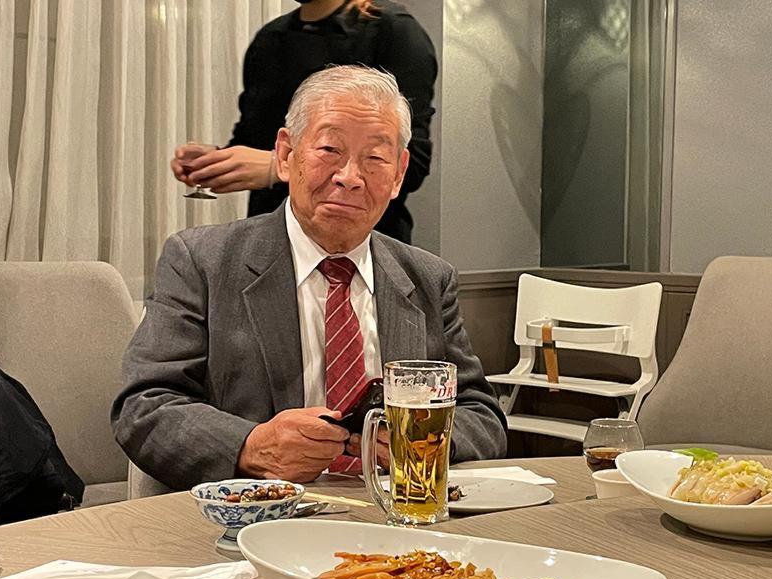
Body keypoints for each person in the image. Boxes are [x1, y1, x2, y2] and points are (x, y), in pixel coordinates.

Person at [113, 66, 506, 490]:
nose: (349, 177)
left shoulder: (428, 277)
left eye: (375, 158)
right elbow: (144, 406)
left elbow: (481, 415)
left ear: (398, 174)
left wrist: (425, 442)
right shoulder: (203, 261)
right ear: (286, 155)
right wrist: (251, 446)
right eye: (330, 149)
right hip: (259, 512)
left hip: (395, 511)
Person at [170, 0, 437, 244]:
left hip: (363, 243)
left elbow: (412, 162)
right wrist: (218, 161)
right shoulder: (270, 39)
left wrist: (276, 167)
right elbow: (253, 138)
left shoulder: (393, 32)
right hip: (272, 240)